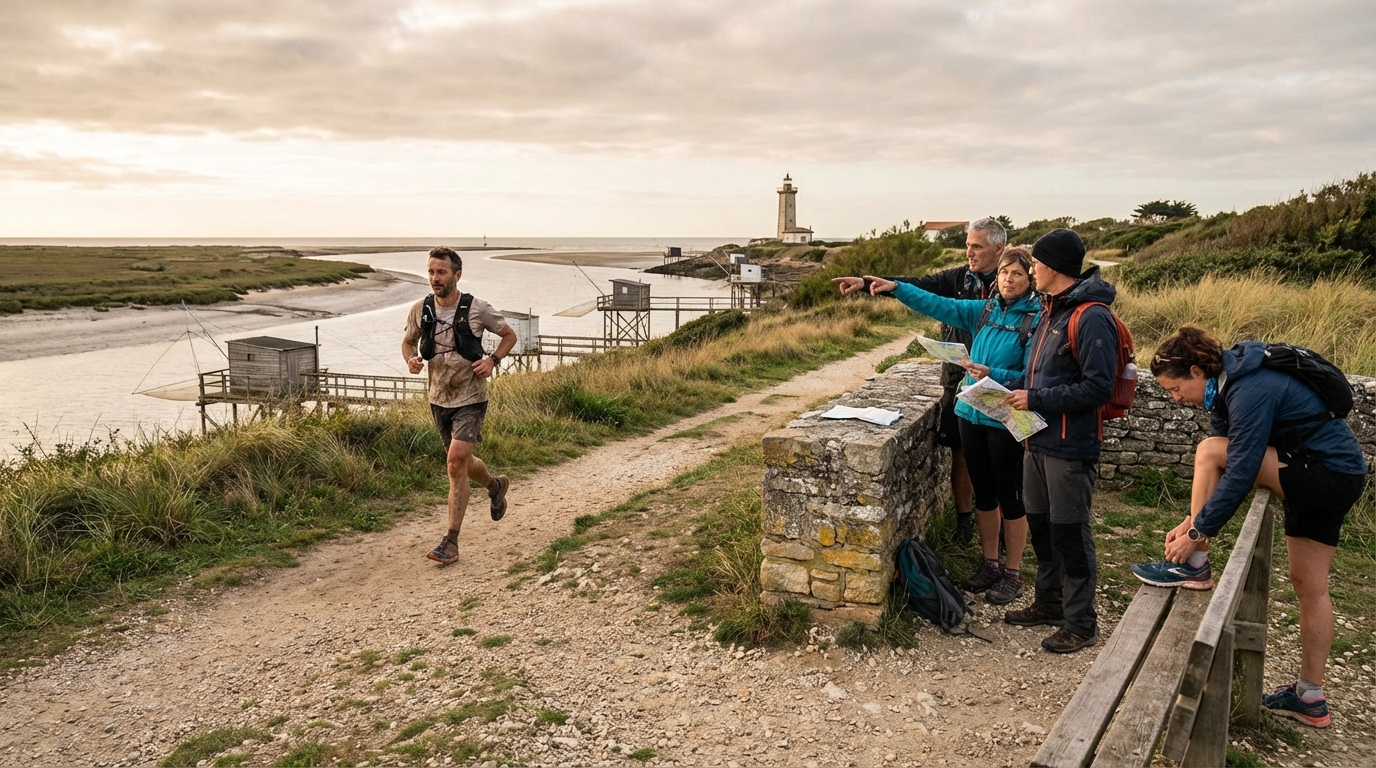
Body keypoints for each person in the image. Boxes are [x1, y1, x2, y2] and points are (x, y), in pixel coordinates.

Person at [1130, 326, 1368, 728]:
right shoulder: (1231, 382)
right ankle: (1310, 696)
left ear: (1195, 370)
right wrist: (1193, 519)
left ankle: (1196, 565)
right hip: (1333, 473)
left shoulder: (1251, 388)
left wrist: (1195, 535)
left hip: (1324, 475)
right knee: (1309, 584)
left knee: (1207, 452)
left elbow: (1238, 467)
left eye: (1175, 388)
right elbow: (1227, 445)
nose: (1175, 399)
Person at [862, 247, 1040, 605]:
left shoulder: (1036, 319)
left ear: (1030, 279)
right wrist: (896, 287)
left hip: (1006, 419)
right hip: (971, 414)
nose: (1008, 279)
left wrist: (995, 374)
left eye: (1017, 274)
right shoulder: (984, 310)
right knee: (985, 495)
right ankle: (990, 563)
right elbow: (937, 304)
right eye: (1005, 272)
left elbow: (1035, 375)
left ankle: (1013, 571)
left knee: (1011, 498)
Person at [833, 217, 1008, 544]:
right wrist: (868, 282)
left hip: (1001, 376)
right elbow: (918, 286)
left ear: (998, 248)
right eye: (968, 245)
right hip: (959, 376)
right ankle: (964, 522)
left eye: (977, 247)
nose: (969, 252)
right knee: (961, 449)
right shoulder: (958, 277)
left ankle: (1000, 526)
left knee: (1001, 452)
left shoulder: (1013, 281)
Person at [1001, 229, 1118, 654]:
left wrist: (1034, 398)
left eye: (1035, 262)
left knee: (1070, 534)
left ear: (1052, 267)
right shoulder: (1050, 311)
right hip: (1036, 440)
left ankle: (1081, 624)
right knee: (1042, 528)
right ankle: (1048, 604)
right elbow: (1040, 378)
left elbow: (1098, 388)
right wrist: (1000, 382)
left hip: (1070, 446)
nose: (1030, 269)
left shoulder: (1090, 317)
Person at [402, 246, 519, 565]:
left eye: (441, 272)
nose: (434, 278)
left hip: (471, 398)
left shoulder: (477, 309)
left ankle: (450, 543)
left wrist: (493, 360)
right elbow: (408, 342)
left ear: (457, 274)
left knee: (454, 463)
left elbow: (509, 335)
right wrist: (411, 360)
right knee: (462, 464)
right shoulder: (421, 309)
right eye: (430, 272)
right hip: (438, 398)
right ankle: (495, 485)